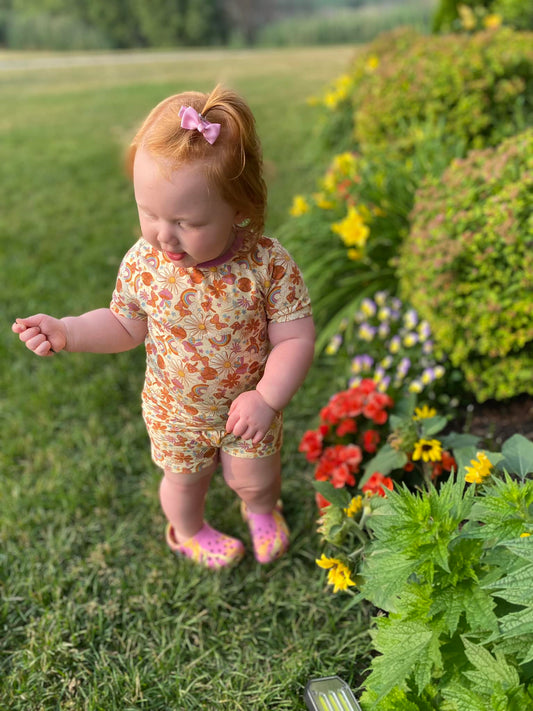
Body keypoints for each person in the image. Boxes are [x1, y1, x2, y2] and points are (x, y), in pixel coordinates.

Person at [12, 85, 315, 570]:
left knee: (256, 479)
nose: (163, 235)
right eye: (148, 213)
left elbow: (294, 338)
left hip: (249, 410)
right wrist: (68, 331)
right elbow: (123, 324)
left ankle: (261, 509)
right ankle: (188, 531)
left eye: (186, 222)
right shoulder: (144, 264)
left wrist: (267, 398)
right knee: (184, 483)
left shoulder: (268, 264)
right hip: (174, 412)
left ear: (239, 209)